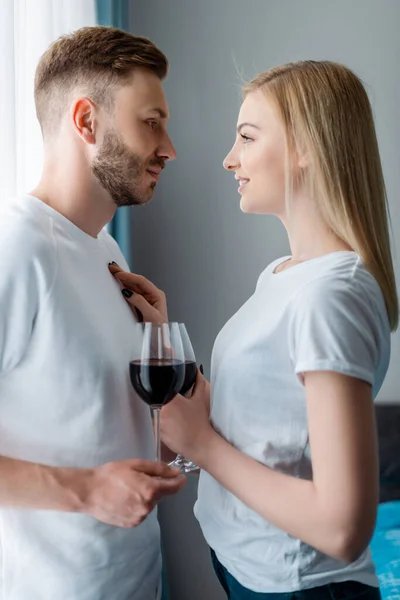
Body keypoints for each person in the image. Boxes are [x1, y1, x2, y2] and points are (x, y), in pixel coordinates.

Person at [115, 61, 398, 599]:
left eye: (247, 137)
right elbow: (267, 417)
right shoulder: (284, 275)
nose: (229, 159)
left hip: (301, 587)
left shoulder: (329, 294)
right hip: (247, 569)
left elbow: (343, 527)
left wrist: (200, 444)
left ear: (307, 146)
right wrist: (167, 339)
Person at [0, 26, 186, 600]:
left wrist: (163, 344)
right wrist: (85, 491)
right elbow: (95, 479)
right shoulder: (17, 247)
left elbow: (112, 429)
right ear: (87, 122)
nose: (168, 148)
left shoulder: (106, 250)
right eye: (151, 121)